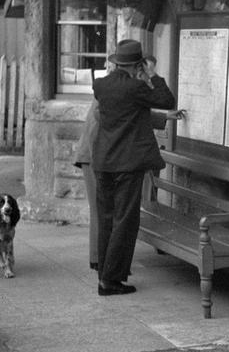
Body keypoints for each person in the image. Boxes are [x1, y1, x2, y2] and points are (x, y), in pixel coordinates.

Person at [73, 56, 185, 274]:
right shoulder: (117, 89)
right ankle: (100, 263)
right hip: (95, 155)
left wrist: (164, 117)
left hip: (104, 156)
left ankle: (106, 266)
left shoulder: (113, 87)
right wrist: (150, 80)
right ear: (135, 68)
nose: (142, 77)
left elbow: (134, 113)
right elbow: (122, 116)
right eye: (141, 72)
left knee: (109, 213)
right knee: (103, 213)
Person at [91, 39, 176, 296]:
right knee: (125, 221)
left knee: (106, 219)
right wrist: (152, 74)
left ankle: (104, 274)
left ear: (117, 62)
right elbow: (166, 99)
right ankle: (111, 281)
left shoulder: (100, 85)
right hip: (127, 163)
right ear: (137, 64)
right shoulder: (136, 88)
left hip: (103, 161)